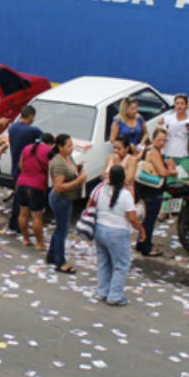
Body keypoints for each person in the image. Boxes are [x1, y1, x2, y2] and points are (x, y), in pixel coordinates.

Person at [91, 164, 145, 306]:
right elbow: (133, 218)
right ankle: (114, 296)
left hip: (100, 229)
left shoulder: (101, 189)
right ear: (123, 178)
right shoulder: (125, 195)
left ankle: (102, 292)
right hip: (117, 233)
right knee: (121, 265)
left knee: (104, 262)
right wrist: (141, 230)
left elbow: (91, 204)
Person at [47, 133, 88, 275]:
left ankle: (52, 256)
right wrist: (78, 181)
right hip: (60, 199)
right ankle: (60, 262)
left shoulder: (68, 157)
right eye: (68, 146)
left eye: (72, 145)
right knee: (62, 231)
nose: (71, 148)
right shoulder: (58, 163)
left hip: (67, 198)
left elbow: (70, 172)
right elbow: (58, 187)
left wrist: (78, 170)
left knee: (60, 228)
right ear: (60, 147)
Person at [135, 129, 176, 257]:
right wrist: (173, 172)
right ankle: (146, 247)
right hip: (153, 190)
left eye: (164, 140)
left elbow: (136, 159)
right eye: (160, 140)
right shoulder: (155, 152)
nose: (162, 143)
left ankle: (141, 243)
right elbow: (162, 172)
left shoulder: (147, 149)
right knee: (150, 220)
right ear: (154, 139)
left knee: (146, 219)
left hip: (144, 188)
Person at [6, 106, 43, 232]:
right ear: (31, 116)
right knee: (22, 201)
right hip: (27, 169)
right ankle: (17, 225)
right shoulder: (33, 131)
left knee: (18, 197)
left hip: (15, 166)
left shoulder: (12, 127)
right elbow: (41, 143)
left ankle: (14, 223)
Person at [16, 133, 55, 250]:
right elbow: (52, 169)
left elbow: (20, 165)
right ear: (50, 143)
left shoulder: (27, 147)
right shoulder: (49, 151)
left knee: (23, 214)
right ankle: (40, 243)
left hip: (22, 183)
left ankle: (26, 239)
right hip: (37, 186)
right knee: (37, 217)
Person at [158, 94, 189, 177]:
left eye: (182, 104)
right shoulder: (167, 118)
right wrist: (160, 126)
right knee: (170, 180)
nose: (179, 106)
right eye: (177, 103)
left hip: (185, 156)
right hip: (168, 155)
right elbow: (158, 133)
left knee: (183, 179)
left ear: (187, 106)